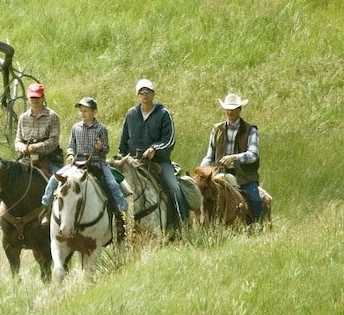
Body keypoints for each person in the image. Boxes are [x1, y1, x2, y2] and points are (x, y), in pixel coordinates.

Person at [41, 97, 127, 225]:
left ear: (94, 112)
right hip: (78, 163)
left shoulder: (101, 129)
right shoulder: (76, 128)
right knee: (55, 179)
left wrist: (100, 148)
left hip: (98, 163)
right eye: (81, 111)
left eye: (86, 111)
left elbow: (107, 149)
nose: (82, 113)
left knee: (112, 184)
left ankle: (121, 213)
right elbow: (71, 146)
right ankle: (45, 208)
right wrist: (70, 155)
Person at [119, 79, 188, 224]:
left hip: (159, 161)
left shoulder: (163, 114)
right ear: (137, 95)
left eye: (147, 92)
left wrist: (154, 149)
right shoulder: (131, 114)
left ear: (153, 93)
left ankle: (183, 224)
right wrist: (121, 157)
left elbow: (169, 140)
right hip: (133, 161)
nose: (145, 95)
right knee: (117, 188)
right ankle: (118, 227)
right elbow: (124, 140)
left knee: (174, 188)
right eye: (141, 92)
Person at [199, 93, 263, 222]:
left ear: (240, 109)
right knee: (202, 195)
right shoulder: (217, 130)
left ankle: (257, 226)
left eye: (233, 108)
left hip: (244, 176)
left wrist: (234, 158)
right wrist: (202, 170)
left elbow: (253, 155)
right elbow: (210, 156)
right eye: (227, 108)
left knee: (255, 199)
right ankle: (202, 223)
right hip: (219, 173)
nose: (230, 111)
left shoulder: (250, 130)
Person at [14, 82, 63, 175]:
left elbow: (54, 141)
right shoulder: (23, 118)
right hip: (26, 159)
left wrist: (36, 147)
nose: (35, 100)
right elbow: (17, 141)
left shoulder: (52, 116)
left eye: (37, 97)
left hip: (49, 158)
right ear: (28, 98)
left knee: (60, 181)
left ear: (43, 97)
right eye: (32, 97)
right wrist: (22, 147)